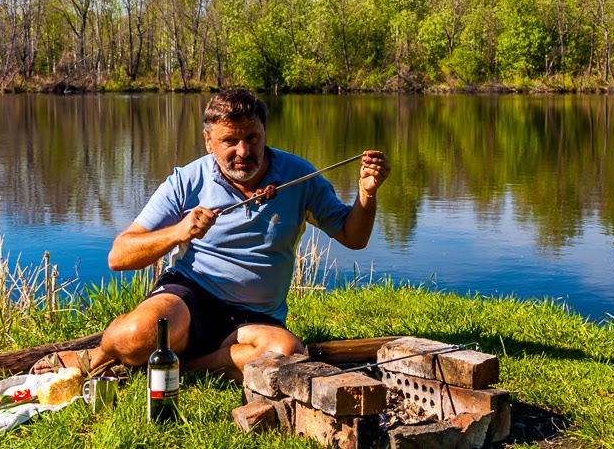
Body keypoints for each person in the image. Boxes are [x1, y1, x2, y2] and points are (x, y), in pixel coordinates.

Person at [35, 89, 390, 381]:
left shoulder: (298, 175)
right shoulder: (187, 181)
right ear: (209, 141)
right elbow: (118, 256)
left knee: (285, 352)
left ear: (265, 133)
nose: (243, 151)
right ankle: (97, 356)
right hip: (189, 298)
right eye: (230, 140)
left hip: (255, 318)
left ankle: (176, 368)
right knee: (136, 336)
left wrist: (366, 195)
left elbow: (351, 236)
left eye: (253, 138)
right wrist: (178, 232)